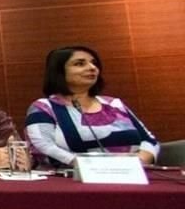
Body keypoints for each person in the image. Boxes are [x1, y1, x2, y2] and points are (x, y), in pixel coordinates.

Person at [25, 46, 158, 167]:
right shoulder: (45, 107)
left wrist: (139, 161)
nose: (92, 67)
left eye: (94, 63)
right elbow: (42, 147)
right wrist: (87, 165)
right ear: (59, 72)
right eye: (79, 64)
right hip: (76, 181)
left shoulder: (113, 104)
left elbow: (149, 140)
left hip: (134, 176)